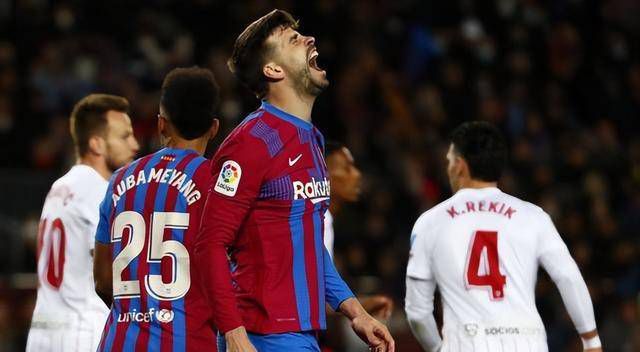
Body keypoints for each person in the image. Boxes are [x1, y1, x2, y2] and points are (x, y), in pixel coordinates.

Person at [195, 9, 395, 352]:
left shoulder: (312, 140)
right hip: (262, 337)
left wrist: (355, 311)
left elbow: (310, 246)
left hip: (302, 337)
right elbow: (209, 245)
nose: (309, 39)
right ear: (273, 70)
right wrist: (234, 333)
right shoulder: (250, 143)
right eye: (293, 39)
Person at [405, 121, 602, 352]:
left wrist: (438, 349)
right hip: (528, 344)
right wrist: (591, 342)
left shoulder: (430, 222)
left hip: (467, 344)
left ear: (460, 165)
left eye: (449, 160)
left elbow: (417, 312)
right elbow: (568, 277)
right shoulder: (533, 216)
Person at [93, 67, 221, 351]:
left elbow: (102, 281)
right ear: (214, 128)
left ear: (161, 124)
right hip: (190, 341)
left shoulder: (119, 180)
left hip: (119, 342)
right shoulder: (217, 184)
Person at [26, 94, 140, 352]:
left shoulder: (60, 186)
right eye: (124, 136)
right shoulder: (98, 189)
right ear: (97, 144)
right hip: (82, 331)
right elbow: (110, 269)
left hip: (43, 330)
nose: (134, 145)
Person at [323, 141, 393, 350]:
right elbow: (311, 294)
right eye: (346, 167)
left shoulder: (325, 218)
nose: (356, 174)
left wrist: (361, 306)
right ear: (322, 175)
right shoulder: (320, 219)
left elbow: (315, 293)